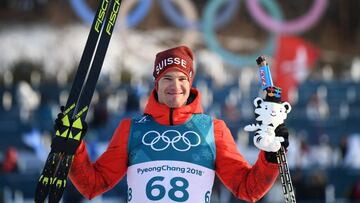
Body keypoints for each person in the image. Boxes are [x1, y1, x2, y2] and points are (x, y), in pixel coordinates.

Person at [67, 46, 290, 202]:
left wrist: (270, 158)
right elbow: (92, 185)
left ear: (190, 82)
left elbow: (247, 189)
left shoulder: (213, 129)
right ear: (156, 83)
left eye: (182, 78)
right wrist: (72, 148)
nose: (175, 85)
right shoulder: (132, 128)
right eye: (167, 78)